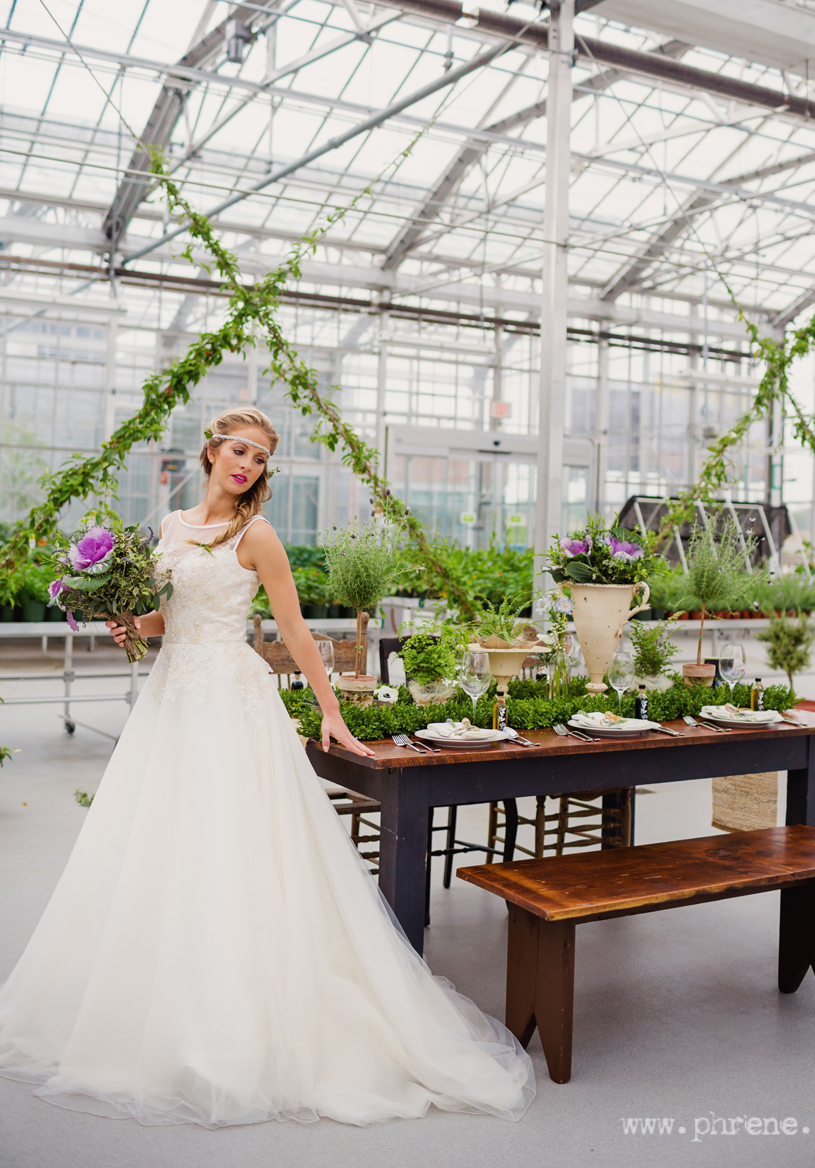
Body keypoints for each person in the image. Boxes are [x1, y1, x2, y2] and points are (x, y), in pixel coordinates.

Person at [0, 407, 534, 1128]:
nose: (247, 465)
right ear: (212, 452)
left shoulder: (257, 536)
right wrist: (126, 624)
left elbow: (294, 630)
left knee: (234, 843)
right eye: (240, 451)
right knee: (161, 842)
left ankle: (243, 1008)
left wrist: (331, 711)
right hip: (173, 699)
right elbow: (168, 620)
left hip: (231, 698)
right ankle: (157, 996)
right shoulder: (170, 528)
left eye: (260, 458)